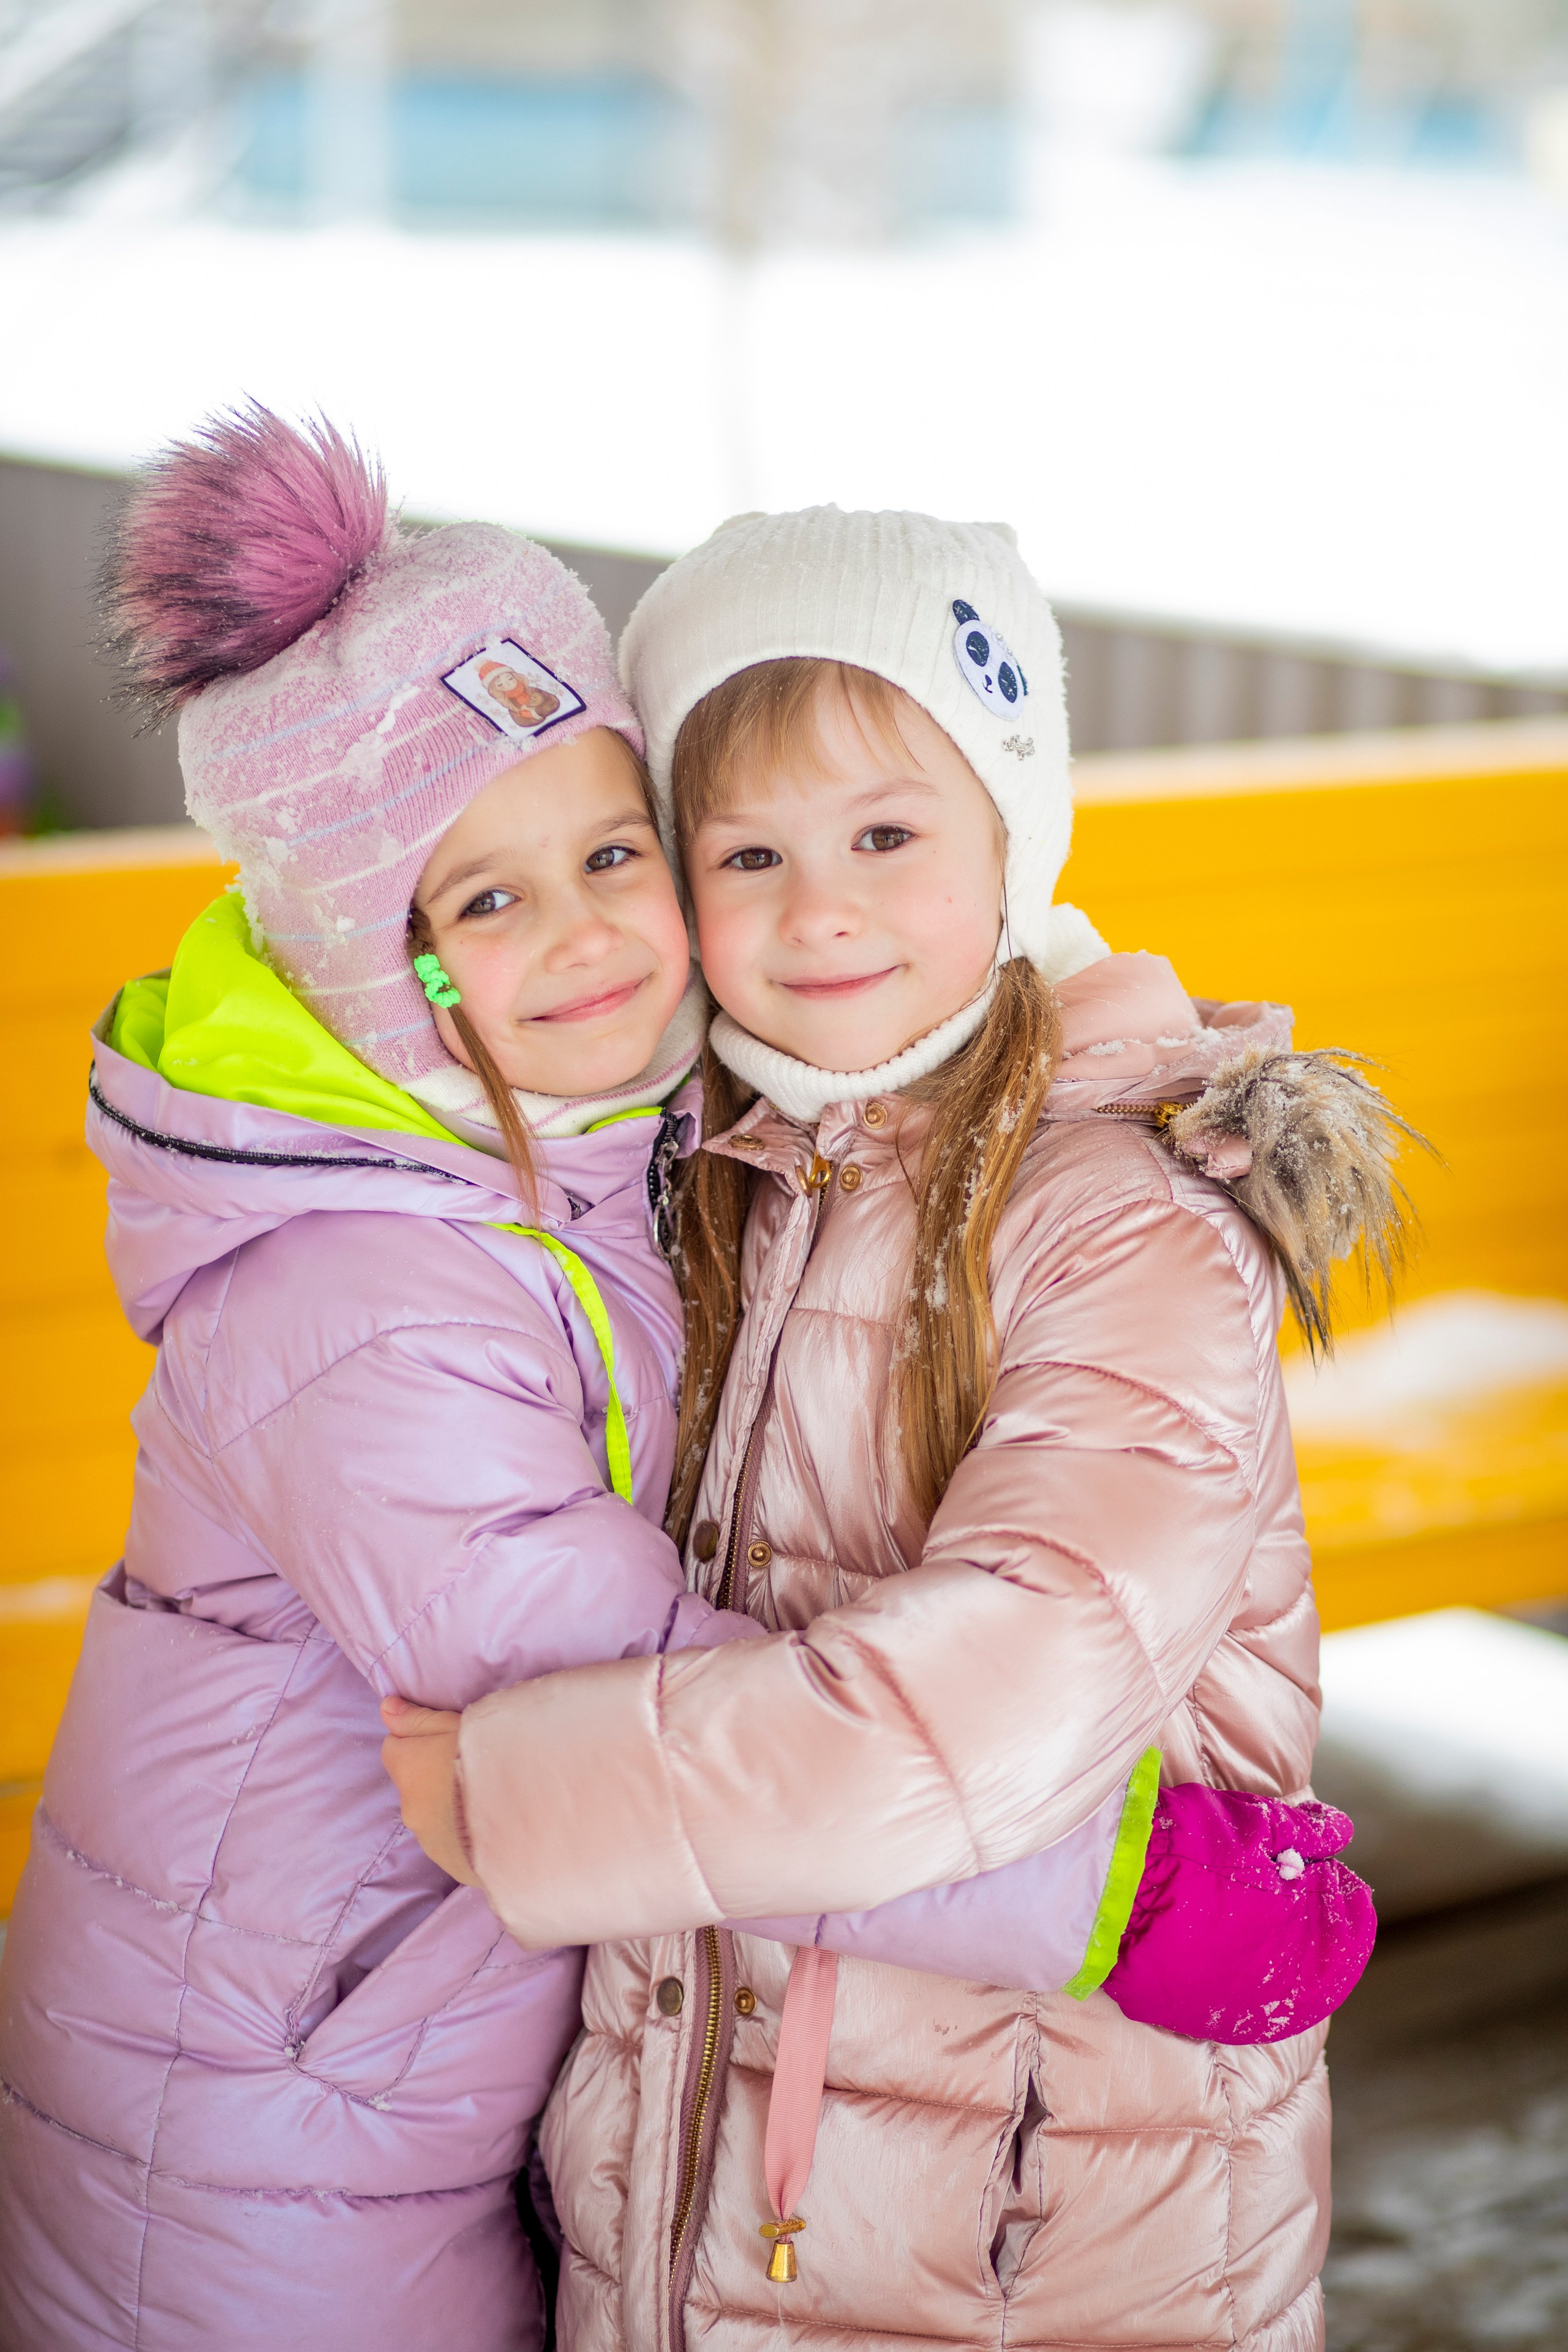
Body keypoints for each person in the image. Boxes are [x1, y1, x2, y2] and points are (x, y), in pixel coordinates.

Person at [0, 424, 1359, 2352]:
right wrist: (1114, 1893)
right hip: (250, 2111)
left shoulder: (712, 1155)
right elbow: (576, 1677)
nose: (588, 934)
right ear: (382, 973)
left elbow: (997, 1641)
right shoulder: (382, 1281)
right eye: (481, 904)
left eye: (612, 855)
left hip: (604, 2079)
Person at [383, 507, 1411, 2352]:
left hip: (1041, 2229)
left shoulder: (1120, 1219)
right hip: (734, 2189)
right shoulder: (739, 1169)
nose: (817, 909)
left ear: (1015, 833)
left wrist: (528, 1793)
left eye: (884, 836)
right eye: (748, 851)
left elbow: (994, 1703)